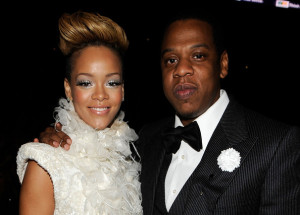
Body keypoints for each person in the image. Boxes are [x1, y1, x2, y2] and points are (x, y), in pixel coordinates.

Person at [38, 9, 300, 215]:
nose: (181, 69)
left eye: (197, 56)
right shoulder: (145, 139)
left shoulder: (276, 145)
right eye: (171, 60)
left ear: (222, 64)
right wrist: (57, 142)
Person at [16, 11, 142, 214]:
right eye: (86, 83)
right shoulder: (45, 164)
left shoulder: (129, 161)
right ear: (69, 89)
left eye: (112, 82)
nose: (100, 94)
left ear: (123, 89)